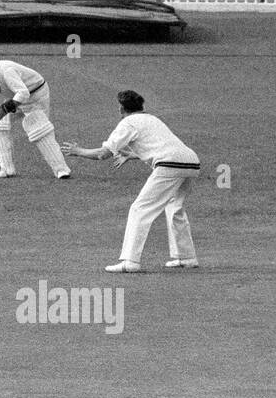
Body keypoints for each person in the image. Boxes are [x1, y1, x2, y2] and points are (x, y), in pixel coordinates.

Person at [62, 89, 199, 271]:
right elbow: (162, 146)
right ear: (142, 106)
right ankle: (187, 257)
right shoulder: (152, 119)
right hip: (192, 162)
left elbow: (103, 154)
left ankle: (130, 262)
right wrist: (132, 155)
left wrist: (79, 151)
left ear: (121, 109)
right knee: (175, 207)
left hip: (169, 165)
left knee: (140, 209)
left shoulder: (128, 123)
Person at [0, 50, 70, 180]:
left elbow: (23, 93)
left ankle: (61, 170)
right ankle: (6, 169)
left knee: (38, 127)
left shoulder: (5, 71)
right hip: (16, 97)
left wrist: (3, 110)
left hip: (36, 96)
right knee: (0, 123)